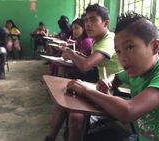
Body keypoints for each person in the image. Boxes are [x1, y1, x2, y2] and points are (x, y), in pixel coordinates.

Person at [66, 12, 159, 141]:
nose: (122, 58)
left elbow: (128, 112)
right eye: (118, 51)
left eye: (129, 47)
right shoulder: (138, 70)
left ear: (155, 47)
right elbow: (116, 77)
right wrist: (109, 81)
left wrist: (85, 89)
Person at [44, 4, 122, 141]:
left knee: (76, 115)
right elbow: (94, 62)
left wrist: (69, 52)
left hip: (113, 91)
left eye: (93, 20)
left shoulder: (109, 40)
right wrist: (77, 54)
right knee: (63, 99)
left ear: (106, 23)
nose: (88, 24)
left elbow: (86, 66)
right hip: (101, 85)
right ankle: (50, 138)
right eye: (86, 20)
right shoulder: (98, 41)